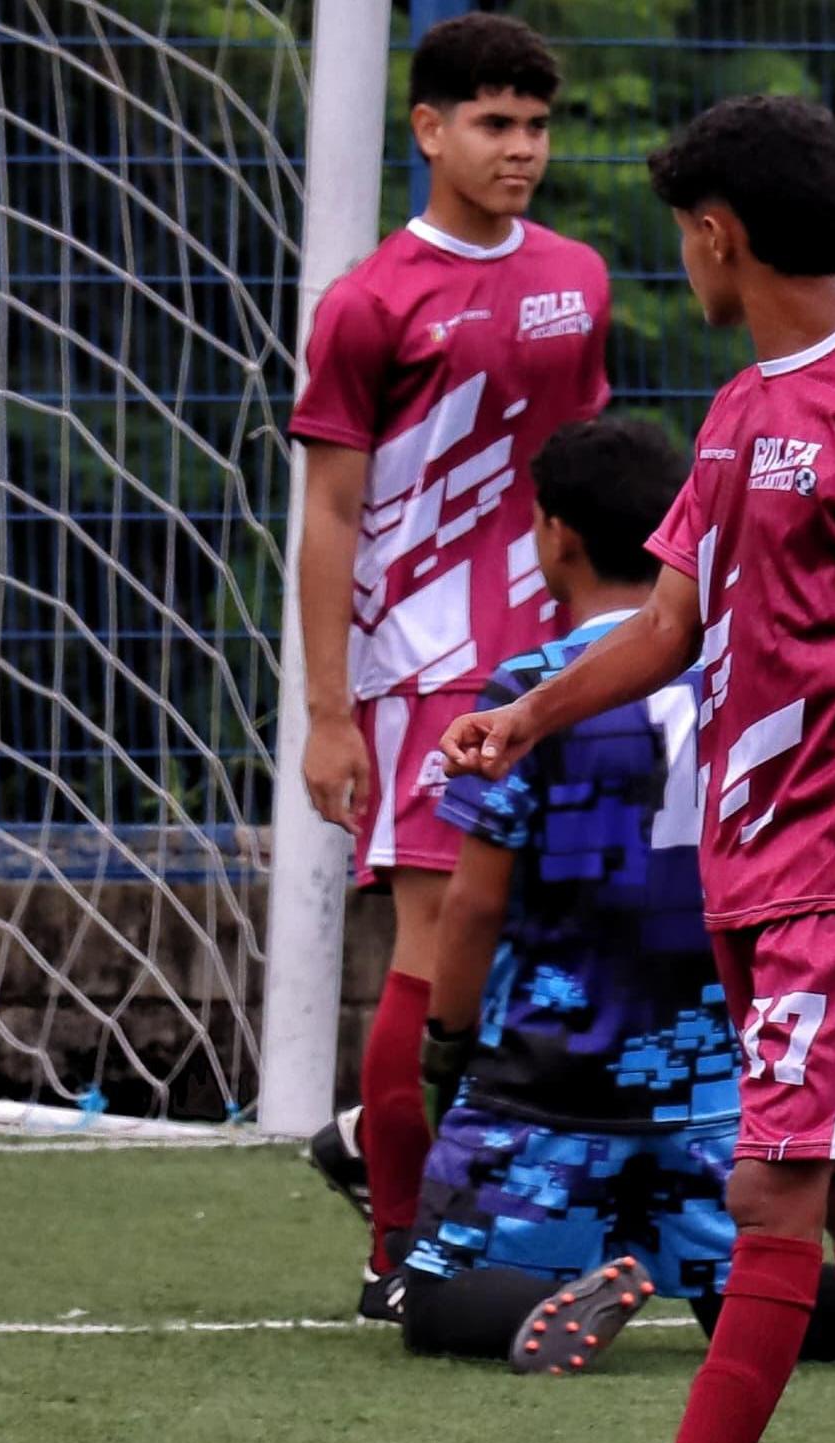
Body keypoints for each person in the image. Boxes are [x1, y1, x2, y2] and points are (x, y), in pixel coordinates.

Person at [440, 95, 835, 1443]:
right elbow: (676, 624)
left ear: (715, 234)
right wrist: (528, 713)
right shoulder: (744, 410)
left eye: (676, 234)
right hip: (758, 872)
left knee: (775, 1184)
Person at [285, 10, 609, 1318]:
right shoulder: (368, 303)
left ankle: (453, 1178)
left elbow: (590, 481)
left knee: (553, 936)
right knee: (433, 941)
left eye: (535, 125)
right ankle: (399, 1254)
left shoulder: (578, 277)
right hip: (420, 669)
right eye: (493, 123)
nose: (520, 148)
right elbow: (330, 512)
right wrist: (325, 712)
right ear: (428, 131)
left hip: (559, 660)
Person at [392, 417, 738, 1376]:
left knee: (428, 1292)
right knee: (753, 1293)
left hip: (550, 1087)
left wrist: (448, 1046)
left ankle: (544, 1298)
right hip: (713, 1096)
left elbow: (470, 908)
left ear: (557, 536)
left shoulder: (533, 688)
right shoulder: (730, 675)